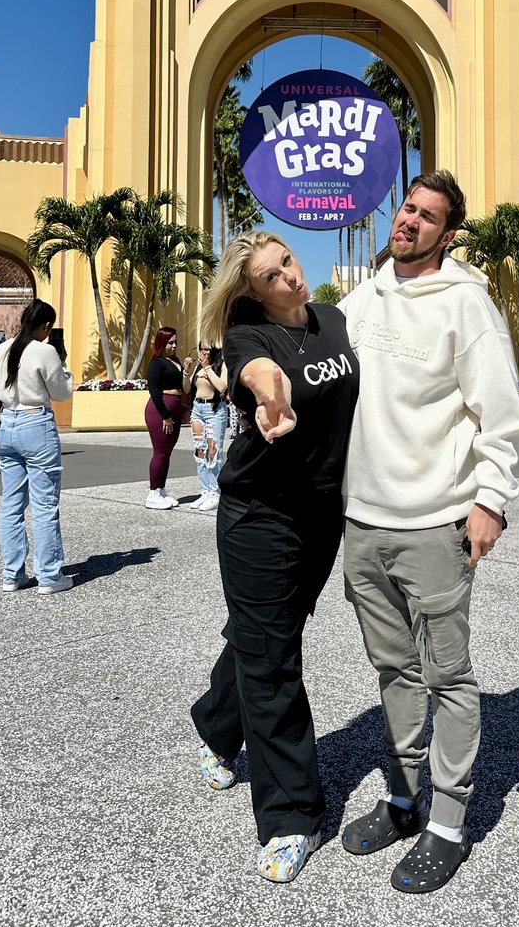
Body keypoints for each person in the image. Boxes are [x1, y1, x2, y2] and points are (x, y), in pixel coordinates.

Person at [338, 170, 519, 895]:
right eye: (408, 208)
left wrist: (490, 501)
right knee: (394, 671)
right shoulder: (365, 295)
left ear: (449, 233)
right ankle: (408, 796)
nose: (410, 221)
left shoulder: (467, 305)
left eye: (428, 216)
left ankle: (448, 824)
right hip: (363, 522)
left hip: (435, 523)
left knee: (447, 675)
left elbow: (499, 418)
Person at [189, 230, 358, 885]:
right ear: (251, 293)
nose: (288, 276)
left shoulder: (337, 320)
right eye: (269, 275)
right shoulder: (247, 340)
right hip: (259, 515)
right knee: (274, 659)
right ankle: (292, 815)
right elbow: (257, 375)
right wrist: (271, 395)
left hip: (321, 515)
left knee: (264, 636)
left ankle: (214, 722)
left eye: (286, 261)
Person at [0, 300, 74, 594]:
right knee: (44, 504)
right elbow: (61, 393)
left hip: (8, 422)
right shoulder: (45, 350)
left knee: (11, 505)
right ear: (46, 325)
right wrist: (64, 366)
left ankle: (12, 574)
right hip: (35, 423)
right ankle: (49, 575)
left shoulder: (3, 348)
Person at [144, 327, 191, 510]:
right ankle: (153, 492)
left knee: (168, 452)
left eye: (175, 342)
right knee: (160, 452)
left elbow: (183, 387)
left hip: (176, 408)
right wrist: (165, 415)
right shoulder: (156, 363)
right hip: (160, 410)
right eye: (170, 342)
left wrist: (186, 370)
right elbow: (154, 392)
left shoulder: (175, 361)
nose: (173, 346)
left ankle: (161, 490)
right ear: (161, 343)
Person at [189, 340, 228, 512]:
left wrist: (207, 368)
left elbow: (222, 387)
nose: (203, 352)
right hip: (197, 409)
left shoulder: (221, 365)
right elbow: (186, 388)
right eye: (201, 349)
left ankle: (215, 493)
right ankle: (205, 491)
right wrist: (186, 372)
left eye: (207, 349)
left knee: (213, 452)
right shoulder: (199, 367)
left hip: (214, 411)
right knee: (200, 451)